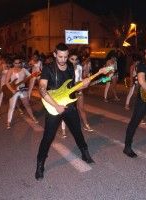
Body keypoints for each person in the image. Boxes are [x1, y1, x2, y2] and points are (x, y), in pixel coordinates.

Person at [35, 43, 94, 180]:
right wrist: (56, 106)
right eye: (60, 56)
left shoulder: (70, 68)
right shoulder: (48, 69)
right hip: (53, 107)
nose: (63, 60)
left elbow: (71, 88)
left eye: (65, 57)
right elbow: (42, 89)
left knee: (77, 131)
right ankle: (40, 164)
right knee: (47, 138)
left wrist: (82, 86)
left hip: (69, 106)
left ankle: (84, 153)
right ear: (55, 54)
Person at [5, 57, 38, 129]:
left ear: (20, 63)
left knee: (27, 105)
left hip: (22, 90)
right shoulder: (10, 70)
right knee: (11, 107)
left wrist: (35, 76)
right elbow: (6, 82)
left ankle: (33, 117)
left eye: (19, 63)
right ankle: (9, 121)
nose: (17, 64)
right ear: (13, 63)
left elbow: (31, 76)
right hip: (13, 90)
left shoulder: (23, 70)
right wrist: (12, 90)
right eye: (15, 63)